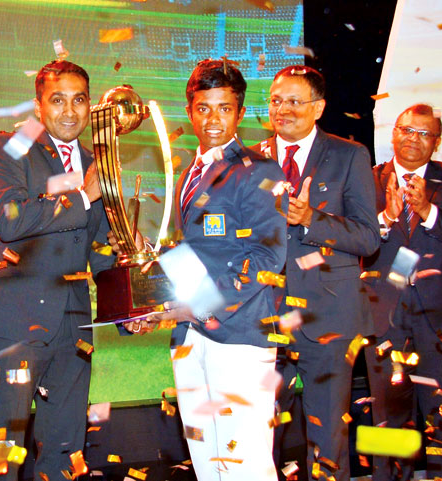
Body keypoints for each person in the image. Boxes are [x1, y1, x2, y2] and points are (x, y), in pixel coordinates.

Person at [131, 59, 288, 481]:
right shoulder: (189, 172)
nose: (213, 119)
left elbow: (268, 257)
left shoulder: (260, 171)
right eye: (204, 108)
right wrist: (151, 289)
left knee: (245, 462)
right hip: (191, 338)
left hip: (239, 337)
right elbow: (195, 252)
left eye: (224, 108)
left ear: (239, 113)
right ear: (190, 110)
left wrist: (193, 307)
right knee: (206, 459)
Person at [0, 60, 114, 481]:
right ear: (38, 105)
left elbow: (101, 250)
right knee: (3, 449)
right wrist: (83, 198)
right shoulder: (12, 144)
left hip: (73, 328)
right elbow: (10, 218)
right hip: (15, 321)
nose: (69, 111)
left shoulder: (94, 161)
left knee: (66, 448)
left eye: (79, 100)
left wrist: (136, 297)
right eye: (57, 100)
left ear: (90, 106)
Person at [255, 65, 380, 481]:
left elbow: (368, 238)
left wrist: (311, 219)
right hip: (261, 320)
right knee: (255, 438)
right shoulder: (251, 159)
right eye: (276, 101)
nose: (283, 110)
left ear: (318, 107)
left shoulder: (349, 155)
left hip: (327, 319)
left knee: (327, 443)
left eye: (294, 101)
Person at [363, 104, 442, 481]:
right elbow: (353, 245)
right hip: (385, 312)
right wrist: (384, 220)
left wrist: (428, 211)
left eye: (423, 134)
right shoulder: (366, 180)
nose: (413, 139)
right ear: (393, 133)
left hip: (440, 312)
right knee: (388, 414)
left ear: (437, 141)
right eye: (406, 131)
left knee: (440, 411)